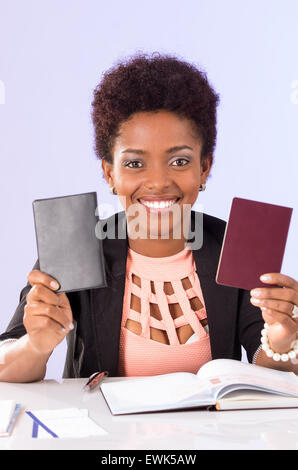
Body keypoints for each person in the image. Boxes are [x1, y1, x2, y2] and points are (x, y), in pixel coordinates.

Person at [0, 52, 297, 383]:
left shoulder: (238, 244)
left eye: (180, 162)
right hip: (106, 434)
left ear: (204, 168)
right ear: (109, 173)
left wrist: (282, 340)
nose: (158, 182)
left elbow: (270, 368)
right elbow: (5, 360)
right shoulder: (77, 243)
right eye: (134, 164)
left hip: (214, 434)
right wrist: (35, 347)